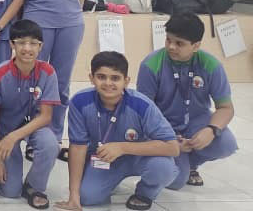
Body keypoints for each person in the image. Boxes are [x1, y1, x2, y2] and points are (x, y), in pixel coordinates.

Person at [55, 51, 179, 211]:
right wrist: (74, 195)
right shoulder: (79, 102)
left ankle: (145, 193)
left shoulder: (142, 104)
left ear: (126, 81)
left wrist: (122, 147)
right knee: (87, 197)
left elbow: (173, 147)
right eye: (101, 77)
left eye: (115, 78)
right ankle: (110, 181)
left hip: (140, 157)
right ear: (91, 78)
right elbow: (78, 147)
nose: (108, 83)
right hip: (103, 159)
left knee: (163, 168)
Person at [137, 12, 237, 190]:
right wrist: (168, 138)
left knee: (226, 143)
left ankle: (191, 164)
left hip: (197, 122)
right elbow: (143, 112)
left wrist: (211, 130)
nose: (171, 47)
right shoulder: (151, 65)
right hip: (163, 126)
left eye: (179, 43)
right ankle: (176, 161)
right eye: (168, 40)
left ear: (196, 45)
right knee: (176, 182)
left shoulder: (211, 65)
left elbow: (226, 108)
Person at [21, 0, 87, 159]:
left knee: (60, 83)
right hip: (37, 22)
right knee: (34, 81)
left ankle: (55, 138)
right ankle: (33, 138)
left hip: (70, 22)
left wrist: (75, 9)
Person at [0, 19, 60, 209]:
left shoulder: (48, 72)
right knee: (10, 191)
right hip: (5, 130)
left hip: (34, 127)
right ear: (12, 44)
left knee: (50, 144)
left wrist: (15, 136)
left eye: (33, 43)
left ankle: (34, 186)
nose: (27, 48)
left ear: (41, 46)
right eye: (21, 42)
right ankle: (12, 176)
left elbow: (46, 116)